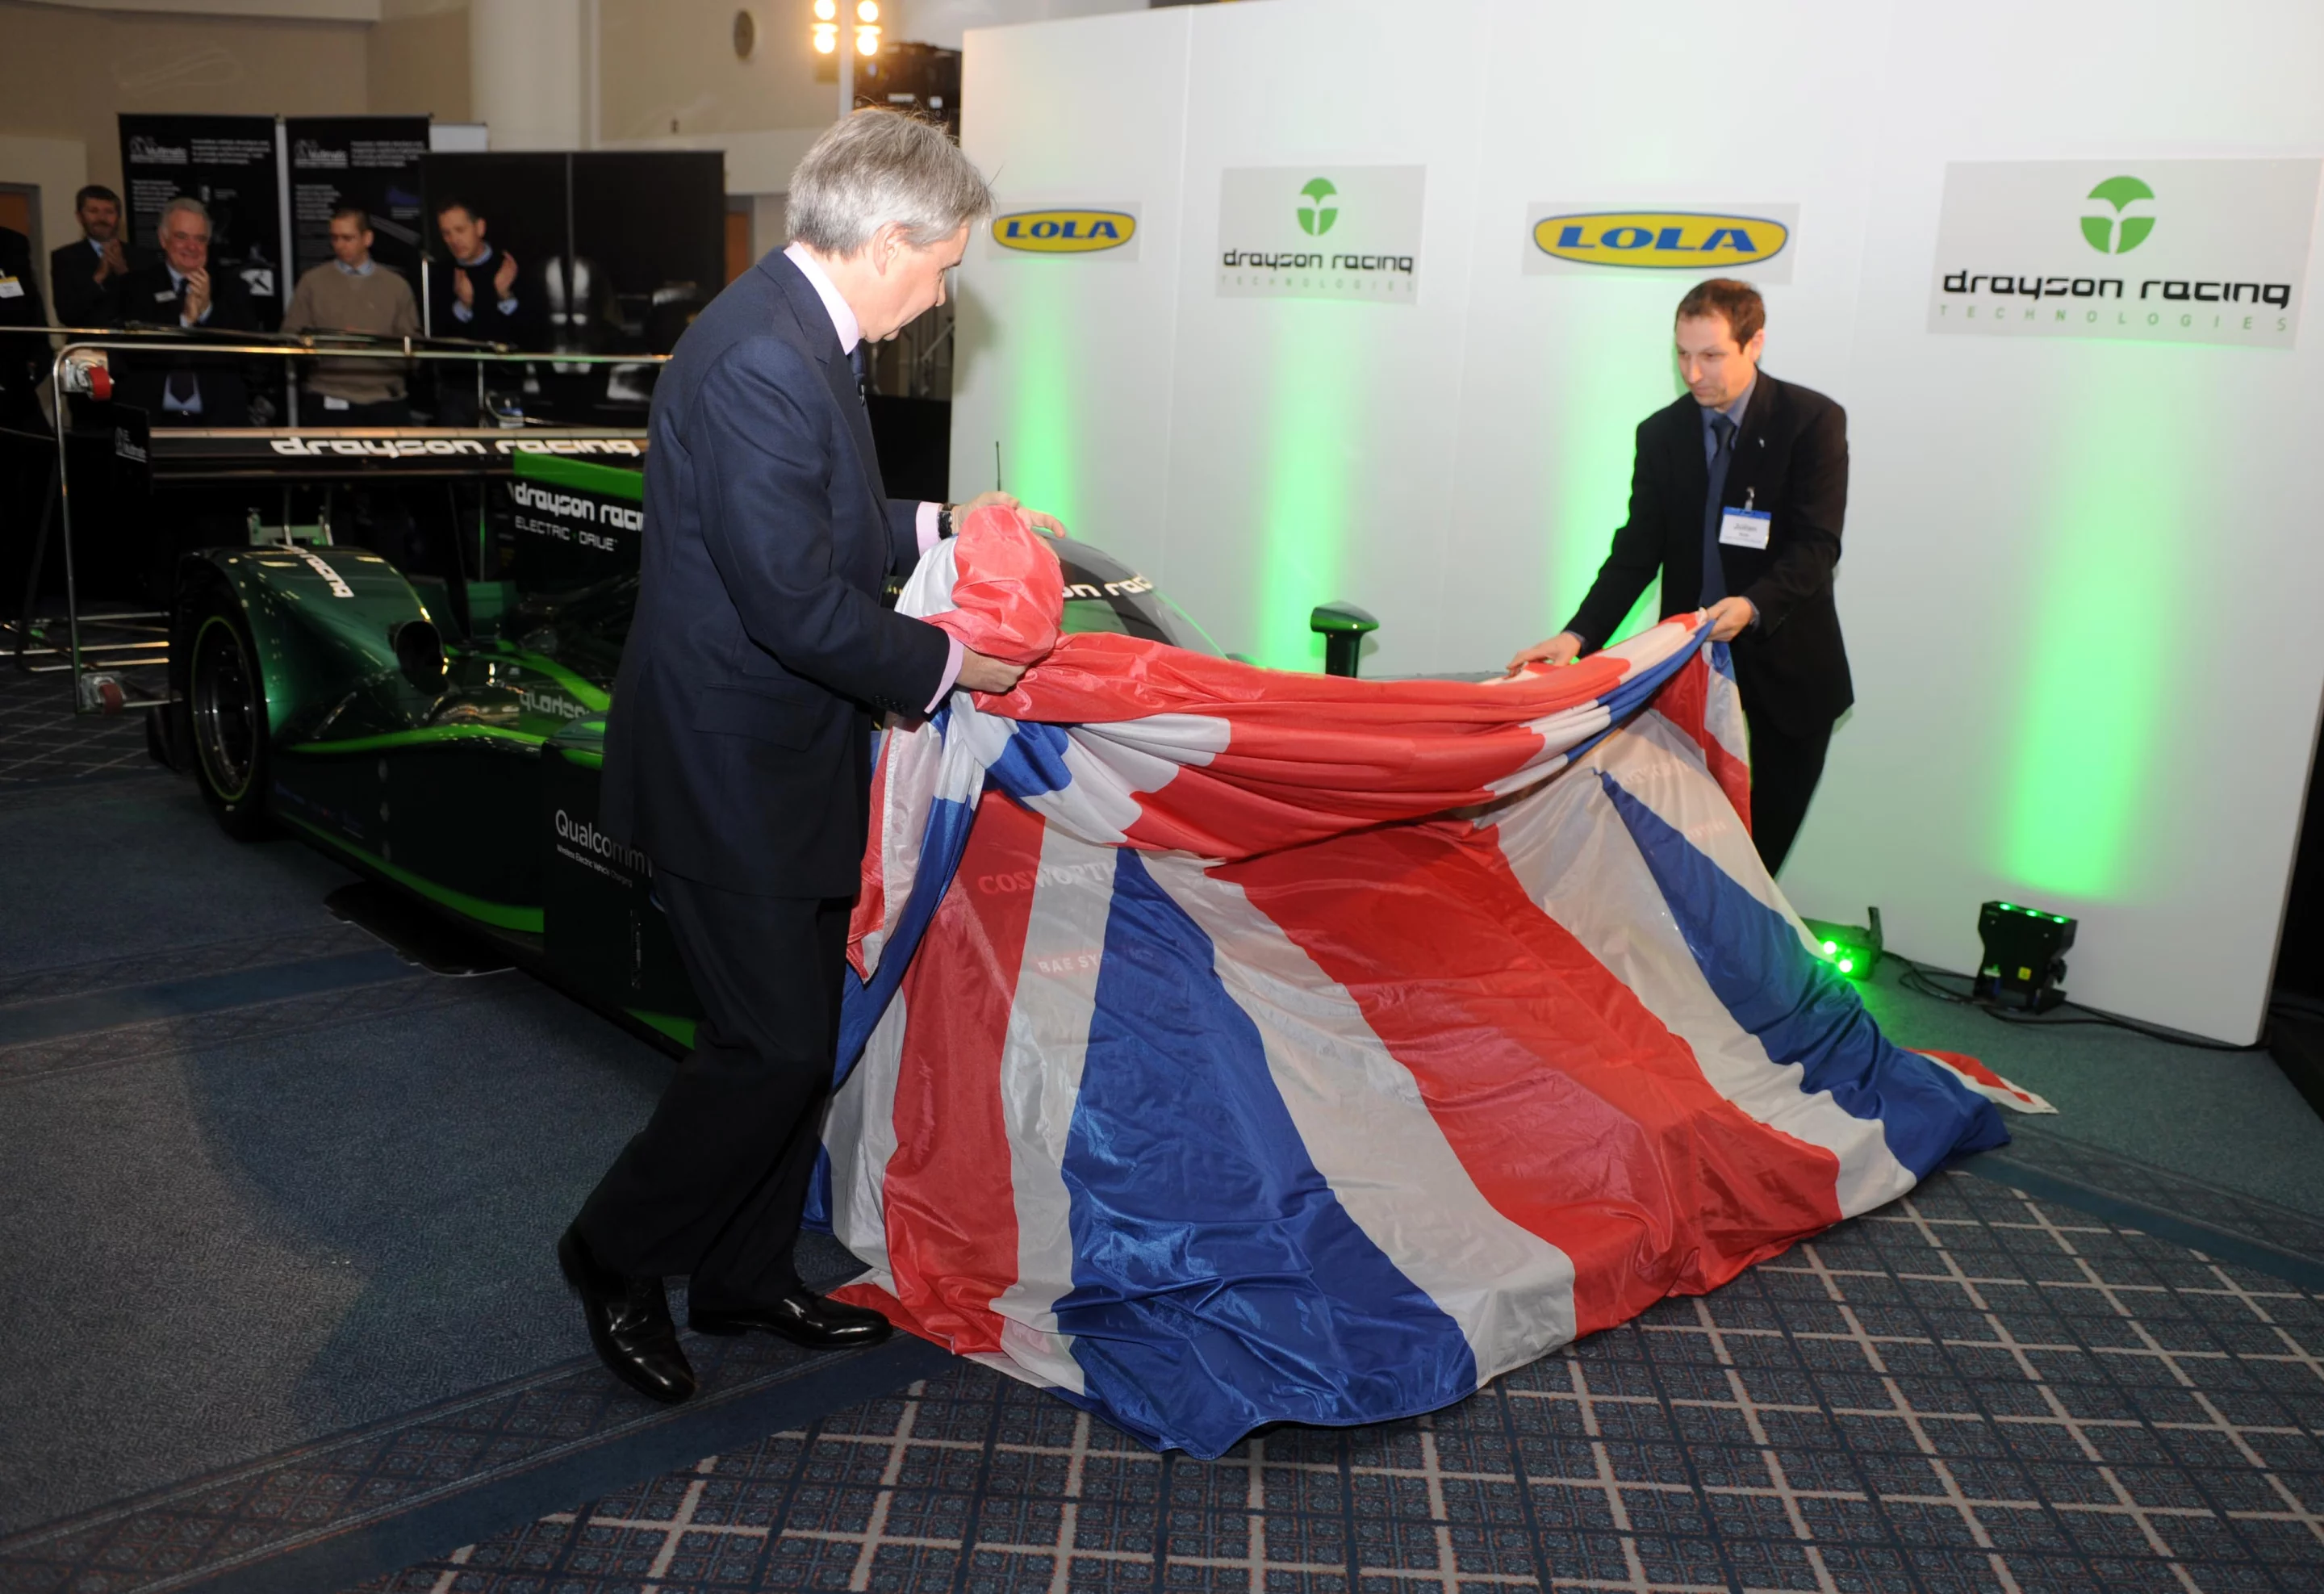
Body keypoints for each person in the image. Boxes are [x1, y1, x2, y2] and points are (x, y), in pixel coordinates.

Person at [562, 110, 1062, 1405]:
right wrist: (959, 665)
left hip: (788, 754)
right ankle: (614, 1254)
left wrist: (945, 521)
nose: (947, 287)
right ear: (886, 238)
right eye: (944, 261)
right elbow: (793, 600)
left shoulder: (800, 332)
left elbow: (821, 511)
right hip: (728, 765)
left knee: (796, 1029)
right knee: (770, 1045)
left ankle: (742, 1272)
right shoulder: (764, 359)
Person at [1507, 278, 1851, 875]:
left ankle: (1743, 960)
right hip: (1688, 676)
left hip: (1788, 673)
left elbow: (1817, 547)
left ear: (1755, 343)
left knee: (1754, 863)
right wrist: (1579, 635)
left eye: (1712, 355)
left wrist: (1750, 605)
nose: (1694, 373)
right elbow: (1636, 553)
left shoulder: (1810, 421)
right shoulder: (1662, 434)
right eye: (1683, 355)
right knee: (1685, 850)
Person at [112, 196, 262, 425]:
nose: (192, 247)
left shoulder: (233, 287)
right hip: (152, 420)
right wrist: (184, 321)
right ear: (163, 239)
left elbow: (249, 358)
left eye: (200, 239)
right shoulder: (135, 286)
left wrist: (206, 312)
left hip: (218, 422)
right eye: (182, 237)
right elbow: (133, 354)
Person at [282, 203, 420, 423]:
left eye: (348, 238)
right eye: (335, 238)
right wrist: (334, 345)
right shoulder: (312, 282)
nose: (340, 245)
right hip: (328, 395)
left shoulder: (396, 286)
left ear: (368, 239)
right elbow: (290, 338)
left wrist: (371, 344)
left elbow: (413, 351)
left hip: (384, 398)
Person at [428, 197, 538, 348]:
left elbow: (533, 335)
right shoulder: (440, 274)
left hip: (507, 369)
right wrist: (463, 306)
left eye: (460, 230)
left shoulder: (511, 268)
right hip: (462, 369)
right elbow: (437, 343)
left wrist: (505, 298)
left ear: (480, 227)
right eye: (446, 233)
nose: (453, 240)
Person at [49, 185, 132, 329]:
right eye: (93, 211)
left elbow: (151, 310)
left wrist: (123, 273)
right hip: (87, 346)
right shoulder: (65, 258)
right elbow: (66, 314)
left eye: (109, 212)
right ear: (79, 217)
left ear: (118, 217)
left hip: (132, 346)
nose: (102, 218)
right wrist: (99, 277)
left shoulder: (143, 256)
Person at [0, 226, 48, 430]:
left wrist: (39, 356)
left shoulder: (12, 241)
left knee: (36, 444)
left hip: (14, 368)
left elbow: (29, 298)